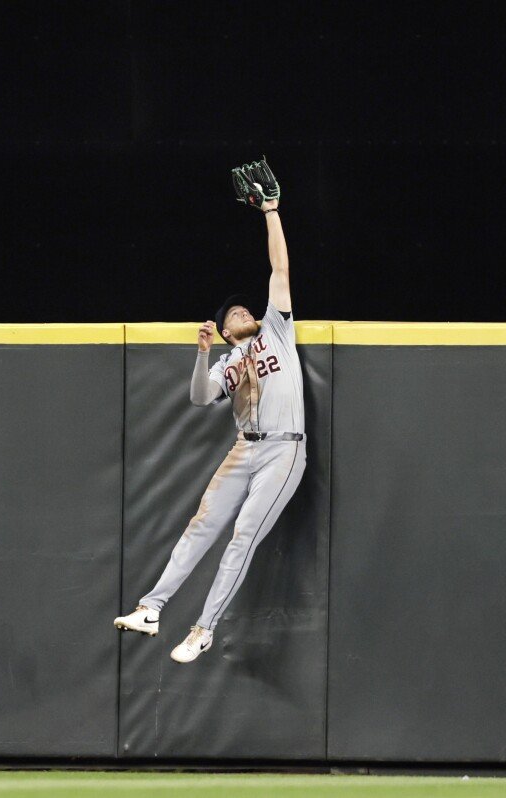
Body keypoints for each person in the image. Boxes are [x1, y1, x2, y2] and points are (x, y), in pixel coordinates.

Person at [114, 168, 307, 664]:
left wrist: (271, 212)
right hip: (245, 448)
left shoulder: (276, 333)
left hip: (284, 449)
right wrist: (201, 354)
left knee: (242, 535)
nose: (244, 311)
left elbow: (280, 271)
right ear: (224, 331)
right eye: (234, 313)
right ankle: (152, 608)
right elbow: (201, 399)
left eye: (246, 308)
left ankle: (203, 628)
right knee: (202, 525)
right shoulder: (226, 360)